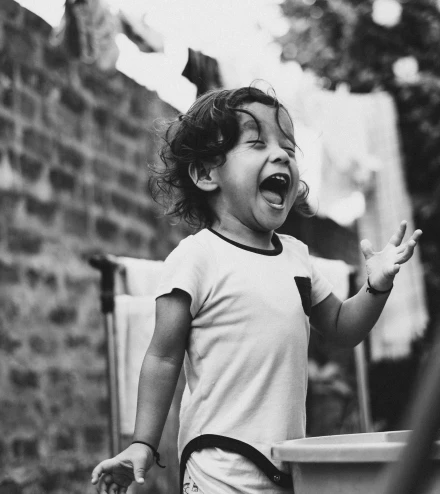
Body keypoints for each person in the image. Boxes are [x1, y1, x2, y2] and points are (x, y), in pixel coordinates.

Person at [91, 86, 422, 494]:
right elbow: (162, 356)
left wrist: (376, 285)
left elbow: (341, 328)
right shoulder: (198, 258)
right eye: (257, 142)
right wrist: (143, 443)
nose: (282, 153)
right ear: (207, 173)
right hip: (218, 465)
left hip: (285, 465)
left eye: (288, 144)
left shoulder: (297, 257)